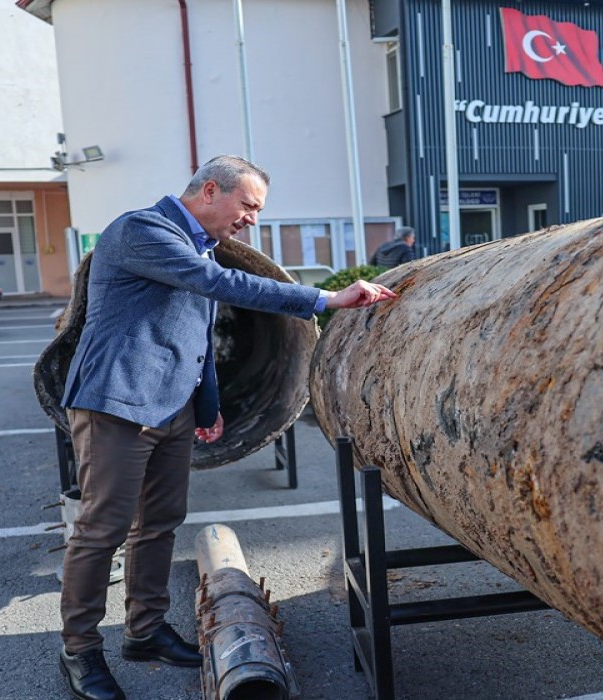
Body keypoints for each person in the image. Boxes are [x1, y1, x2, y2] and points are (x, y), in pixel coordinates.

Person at [56, 155, 396, 700]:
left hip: (172, 409)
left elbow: (197, 340)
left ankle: (144, 631)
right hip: (116, 405)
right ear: (210, 190)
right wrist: (323, 299)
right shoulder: (142, 230)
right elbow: (215, 284)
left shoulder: (199, 245)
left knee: (160, 523)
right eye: (249, 206)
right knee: (103, 530)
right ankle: (79, 651)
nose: (252, 220)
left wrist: (208, 408)